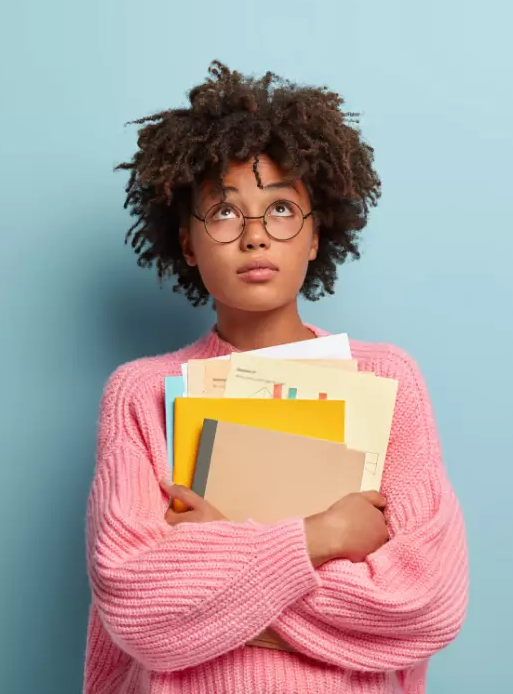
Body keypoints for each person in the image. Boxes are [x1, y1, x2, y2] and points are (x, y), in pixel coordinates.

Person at [83, 61, 468, 694]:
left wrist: (222, 557)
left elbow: (425, 603)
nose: (256, 237)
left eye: (282, 208)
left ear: (316, 234)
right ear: (186, 243)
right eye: (226, 214)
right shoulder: (140, 393)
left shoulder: (388, 379)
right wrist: (324, 536)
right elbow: (137, 609)